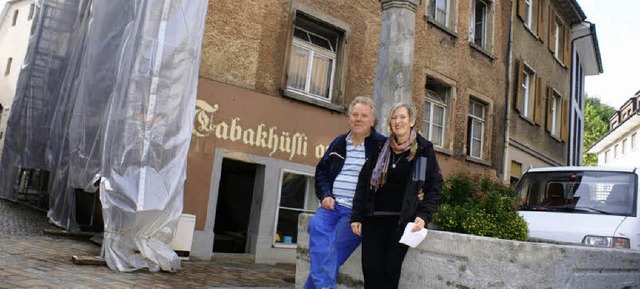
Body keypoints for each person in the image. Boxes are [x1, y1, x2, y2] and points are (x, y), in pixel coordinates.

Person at [350, 102, 443, 289]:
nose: (397, 121)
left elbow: (434, 186)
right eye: (394, 117)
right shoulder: (379, 147)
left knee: (390, 270)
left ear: (412, 121)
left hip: (401, 222)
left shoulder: (423, 151)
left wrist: (423, 216)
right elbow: (363, 183)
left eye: (402, 117)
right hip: (373, 218)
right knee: (370, 270)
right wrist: (357, 216)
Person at [304, 96, 385, 289]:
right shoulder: (339, 142)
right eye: (355, 115)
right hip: (331, 206)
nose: (358, 119)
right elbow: (321, 172)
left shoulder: (381, 146)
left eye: (364, 116)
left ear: (373, 120)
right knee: (315, 225)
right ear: (349, 118)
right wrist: (326, 195)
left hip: (355, 213)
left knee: (328, 256)